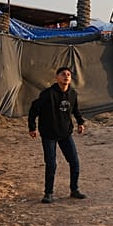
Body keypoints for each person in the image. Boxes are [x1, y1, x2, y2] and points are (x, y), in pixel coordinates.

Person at [28, 67, 87, 204]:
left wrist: (80, 122)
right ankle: (48, 193)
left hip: (65, 133)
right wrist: (32, 127)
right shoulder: (48, 94)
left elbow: (75, 110)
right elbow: (34, 109)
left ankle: (74, 189)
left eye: (68, 75)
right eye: (63, 74)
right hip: (49, 134)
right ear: (57, 77)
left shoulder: (73, 94)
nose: (66, 77)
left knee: (74, 162)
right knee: (51, 164)